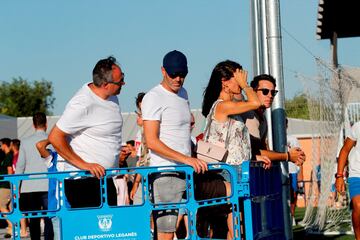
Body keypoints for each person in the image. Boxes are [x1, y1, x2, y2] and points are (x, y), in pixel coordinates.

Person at [199, 60, 271, 239]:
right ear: (225, 82)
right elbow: (255, 103)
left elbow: (237, 143)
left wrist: (254, 157)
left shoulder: (233, 108)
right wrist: (246, 85)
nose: (241, 81)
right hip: (227, 172)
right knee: (238, 228)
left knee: (236, 228)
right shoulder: (222, 106)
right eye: (237, 78)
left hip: (237, 169)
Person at [141, 50, 208, 240]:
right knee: (166, 233)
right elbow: (152, 142)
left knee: (189, 229)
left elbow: (182, 134)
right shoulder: (153, 97)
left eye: (183, 75)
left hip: (186, 171)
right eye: (173, 74)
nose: (178, 79)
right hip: (166, 173)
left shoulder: (184, 93)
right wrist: (186, 159)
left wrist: (194, 155)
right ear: (163, 71)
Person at [48, 56, 124, 208]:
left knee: (113, 230)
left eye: (123, 77)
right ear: (105, 84)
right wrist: (85, 165)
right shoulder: (82, 103)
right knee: (91, 230)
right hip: (84, 182)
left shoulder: (112, 97)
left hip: (105, 179)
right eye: (120, 81)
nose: (123, 83)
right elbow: (55, 137)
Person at [242, 74, 305, 165]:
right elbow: (255, 152)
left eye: (273, 92)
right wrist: (288, 156)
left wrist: (297, 155)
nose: (270, 95)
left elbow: (263, 150)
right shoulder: (249, 114)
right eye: (265, 91)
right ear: (253, 92)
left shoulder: (262, 118)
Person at [16, 112, 53, 240]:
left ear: (33, 125)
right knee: (50, 216)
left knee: (33, 218)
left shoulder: (25, 142)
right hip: (49, 184)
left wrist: (16, 187)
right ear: (46, 124)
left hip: (29, 186)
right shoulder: (52, 140)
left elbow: (20, 166)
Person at [36, 139, 68, 240]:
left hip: (75, 208)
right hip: (57, 209)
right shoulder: (53, 158)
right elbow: (40, 145)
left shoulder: (79, 157)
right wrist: (54, 137)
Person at [335, 121, 360, 239]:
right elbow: (345, 150)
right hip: (357, 174)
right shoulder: (358, 126)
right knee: (359, 206)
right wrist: (339, 176)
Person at [286, 118, 301, 225]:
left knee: (293, 194)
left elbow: (300, 156)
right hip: (279, 170)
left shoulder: (293, 139)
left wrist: (299, 171)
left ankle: (291, 216)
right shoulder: (273, 137)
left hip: (292, 170)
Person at [0, 138, 14, 238]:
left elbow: (10, 170)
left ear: (5, 145)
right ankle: (11, 228)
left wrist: (10, 183)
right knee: (8, 207)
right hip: (4, 185)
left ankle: (11, 224)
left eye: (1, 145)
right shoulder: (6, 156)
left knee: (1, 206)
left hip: (5, 185)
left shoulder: (9, 156)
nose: (0, 147)